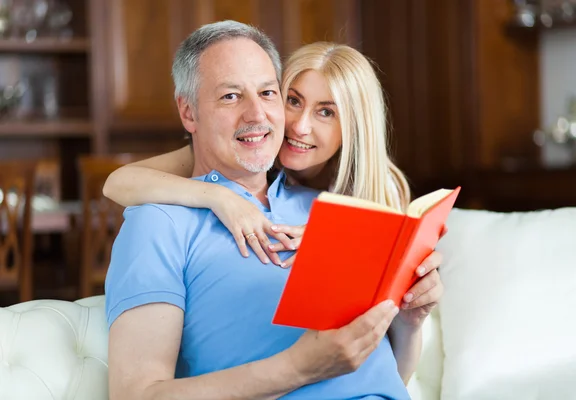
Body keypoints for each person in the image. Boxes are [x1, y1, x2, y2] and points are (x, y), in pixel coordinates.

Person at [105, 20, 443, 400]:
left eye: (267, 92)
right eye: (230, 96)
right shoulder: (159, 221)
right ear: (189, 113)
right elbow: (136, 395)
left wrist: (410, 320)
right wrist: (299, 367)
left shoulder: (331, 209)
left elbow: (383, 377)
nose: (257, 114)